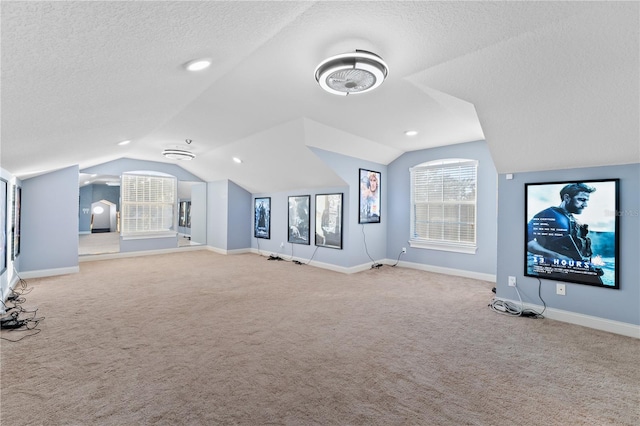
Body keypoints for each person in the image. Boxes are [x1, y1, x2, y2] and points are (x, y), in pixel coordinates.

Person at [527, 182, 603, 282]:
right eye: (581, 200)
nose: (585, 205)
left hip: (575, 270)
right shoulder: (547, 214)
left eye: (586, 200)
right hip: (555, 273)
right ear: (567, 198)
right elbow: (527, 241)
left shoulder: (573, 220)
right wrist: (555, 256)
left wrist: (588, 265)